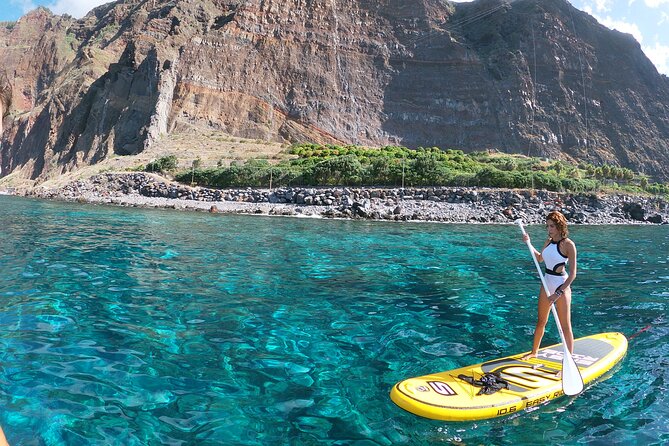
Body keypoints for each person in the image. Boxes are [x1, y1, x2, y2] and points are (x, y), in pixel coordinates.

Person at [521, 211, 577, 361]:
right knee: (541, 321)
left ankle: (568, 361)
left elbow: (573, 274)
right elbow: (539, 259)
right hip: (547, 284)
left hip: (561, 286)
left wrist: (558, 293)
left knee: (565, 326)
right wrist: (529, 243)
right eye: (547, 226)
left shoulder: (568, 245)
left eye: (552, 226)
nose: (549, 229)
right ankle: (534, 352)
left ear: (559, 226)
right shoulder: (548, 242)